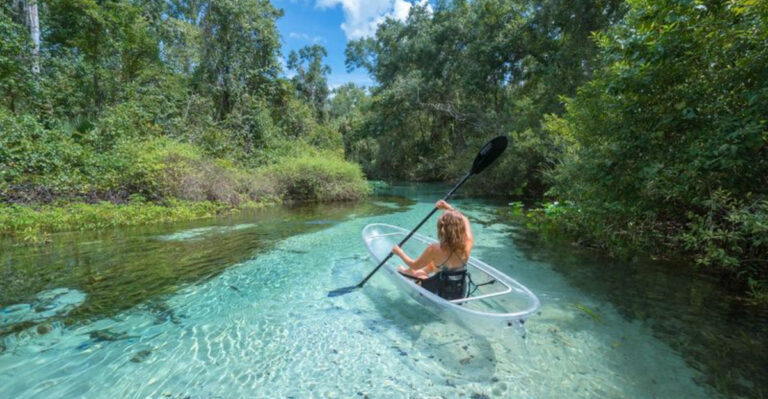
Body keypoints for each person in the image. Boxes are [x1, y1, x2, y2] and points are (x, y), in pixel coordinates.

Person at [391, 200, 474, 283]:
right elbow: (465, 219)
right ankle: (419, 272)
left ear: (442, 229)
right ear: (461, 227)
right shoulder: (468, 243)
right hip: (459, 289)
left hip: (439, 290)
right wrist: (449, 208)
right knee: (435, 262)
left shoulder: (434, 248)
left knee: (418, 269)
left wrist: (400, 253)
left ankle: (408, 272)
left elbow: (414, 265)